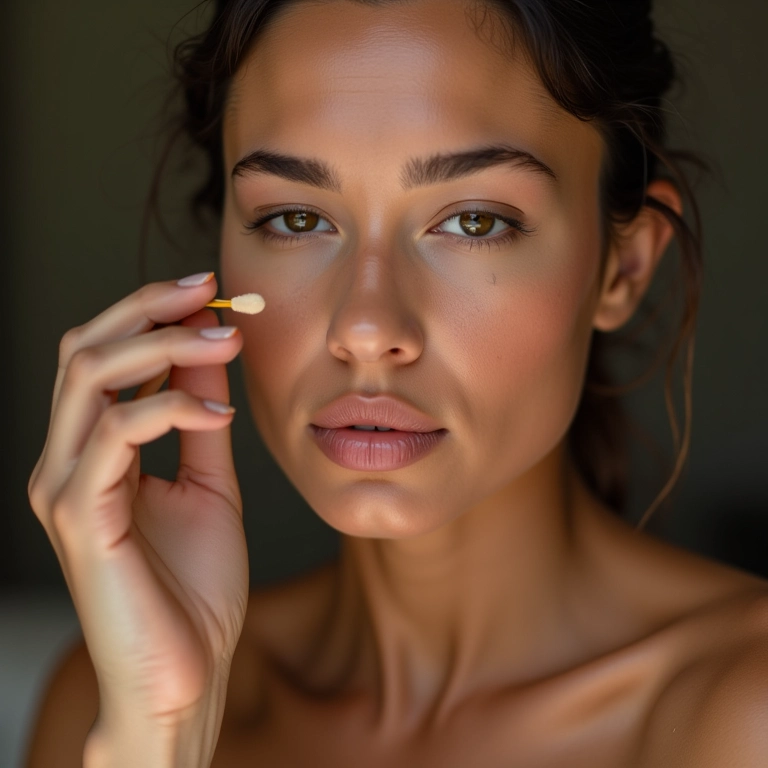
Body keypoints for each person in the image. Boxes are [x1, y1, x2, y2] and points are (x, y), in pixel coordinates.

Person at [22, 0, 768, 765]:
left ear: (625, 266)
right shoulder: (107, 703)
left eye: (475, 221)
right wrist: (162, 737)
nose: (367, 327)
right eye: (295, 219)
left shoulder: (746, 711)